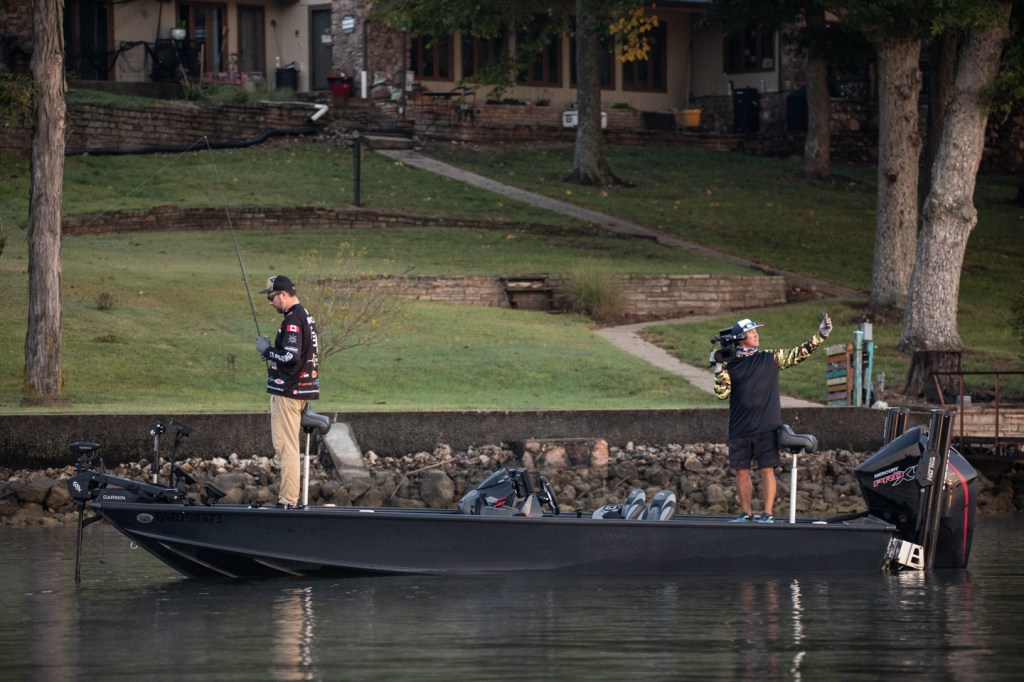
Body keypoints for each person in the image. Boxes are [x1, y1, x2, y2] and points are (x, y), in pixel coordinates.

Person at [712, 313, 831, 523]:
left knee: (767, 470)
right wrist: (718, 367)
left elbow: (799, 353)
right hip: (739, 428)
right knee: (742, 472)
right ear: (740, 338)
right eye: (751, 332)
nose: (756, 335)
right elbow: (722, 394)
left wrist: (821, 335)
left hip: (766, 427)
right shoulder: (730, 365)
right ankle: (746, 514)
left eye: (756, 331)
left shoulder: (770, 358)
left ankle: (767, 514)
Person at [256, 275, 320, 509]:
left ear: (283, 294)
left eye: (271, 297)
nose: (270, 302)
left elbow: (290, 357)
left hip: (288, 392)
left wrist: (267, 350)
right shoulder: (306, 315)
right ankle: (290, 500)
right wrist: (273, 352)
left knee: (286, 448)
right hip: (301, 390)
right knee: (289, 447)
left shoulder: (293, 319)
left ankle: (287, 502)